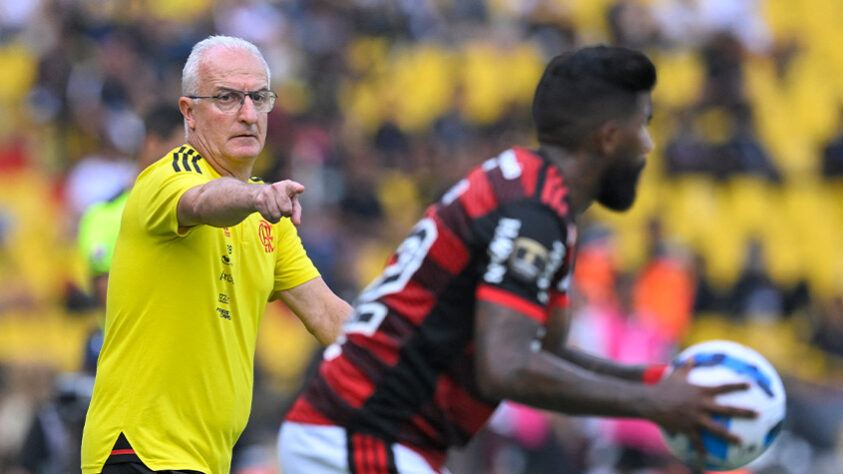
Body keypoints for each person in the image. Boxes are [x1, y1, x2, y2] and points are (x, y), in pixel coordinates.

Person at [279, 45, 756, 473]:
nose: (648, 146)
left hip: (371, 438)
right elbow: (505, 366)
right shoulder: (533, 212)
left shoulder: (532, 194)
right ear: (609, 138)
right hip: (360, 438)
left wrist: (657, 378)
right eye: (643, 126)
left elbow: (540, 352)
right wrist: (653, 402)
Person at [81, 35, 352, 474]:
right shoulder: (167, 176)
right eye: (227, 98)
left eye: (258, 98)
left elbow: (326, 314)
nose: (248, 114)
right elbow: (203, 201)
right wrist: (255, 199)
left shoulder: (267, 216)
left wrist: (411, 364)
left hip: (204, 460)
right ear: (188, 112)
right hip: (140, 453)